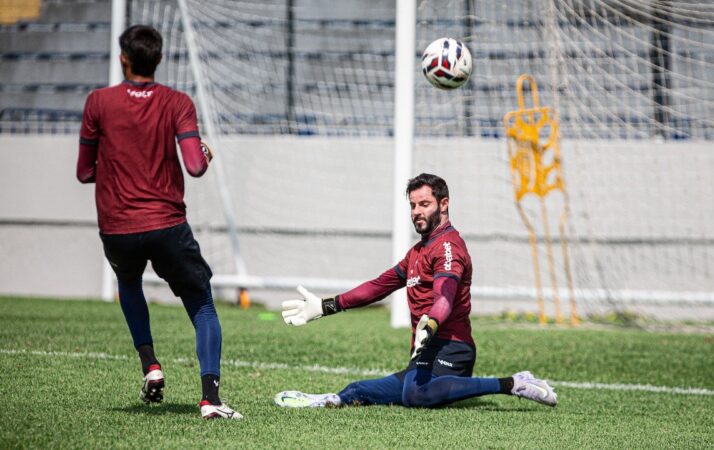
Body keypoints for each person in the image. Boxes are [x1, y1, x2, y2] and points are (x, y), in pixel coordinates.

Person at [274, 173, 557, 409]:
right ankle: (331, 400)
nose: (416, 212)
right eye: (412, 205)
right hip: (425, 351)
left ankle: (513, 383)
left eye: (424, 204)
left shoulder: (448, 247)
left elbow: (445, 295)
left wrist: (431, 323)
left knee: (415, 394)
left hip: (451, 348)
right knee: (358, 390)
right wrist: (327, 306)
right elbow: (378, 287)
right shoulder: (417, 252)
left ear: (443, 204)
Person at [77, 25, 242, 420]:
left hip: (117, 226)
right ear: (159, 59)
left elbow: (84, 172)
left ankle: (150, 364)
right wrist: (204, 152)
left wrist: (121, 170)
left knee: (128, 282)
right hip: (166, 224)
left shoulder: (98, 102)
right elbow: (195, 166)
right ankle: (211, 399)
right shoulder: (177, 102)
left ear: (123, 58)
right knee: (202, 303)